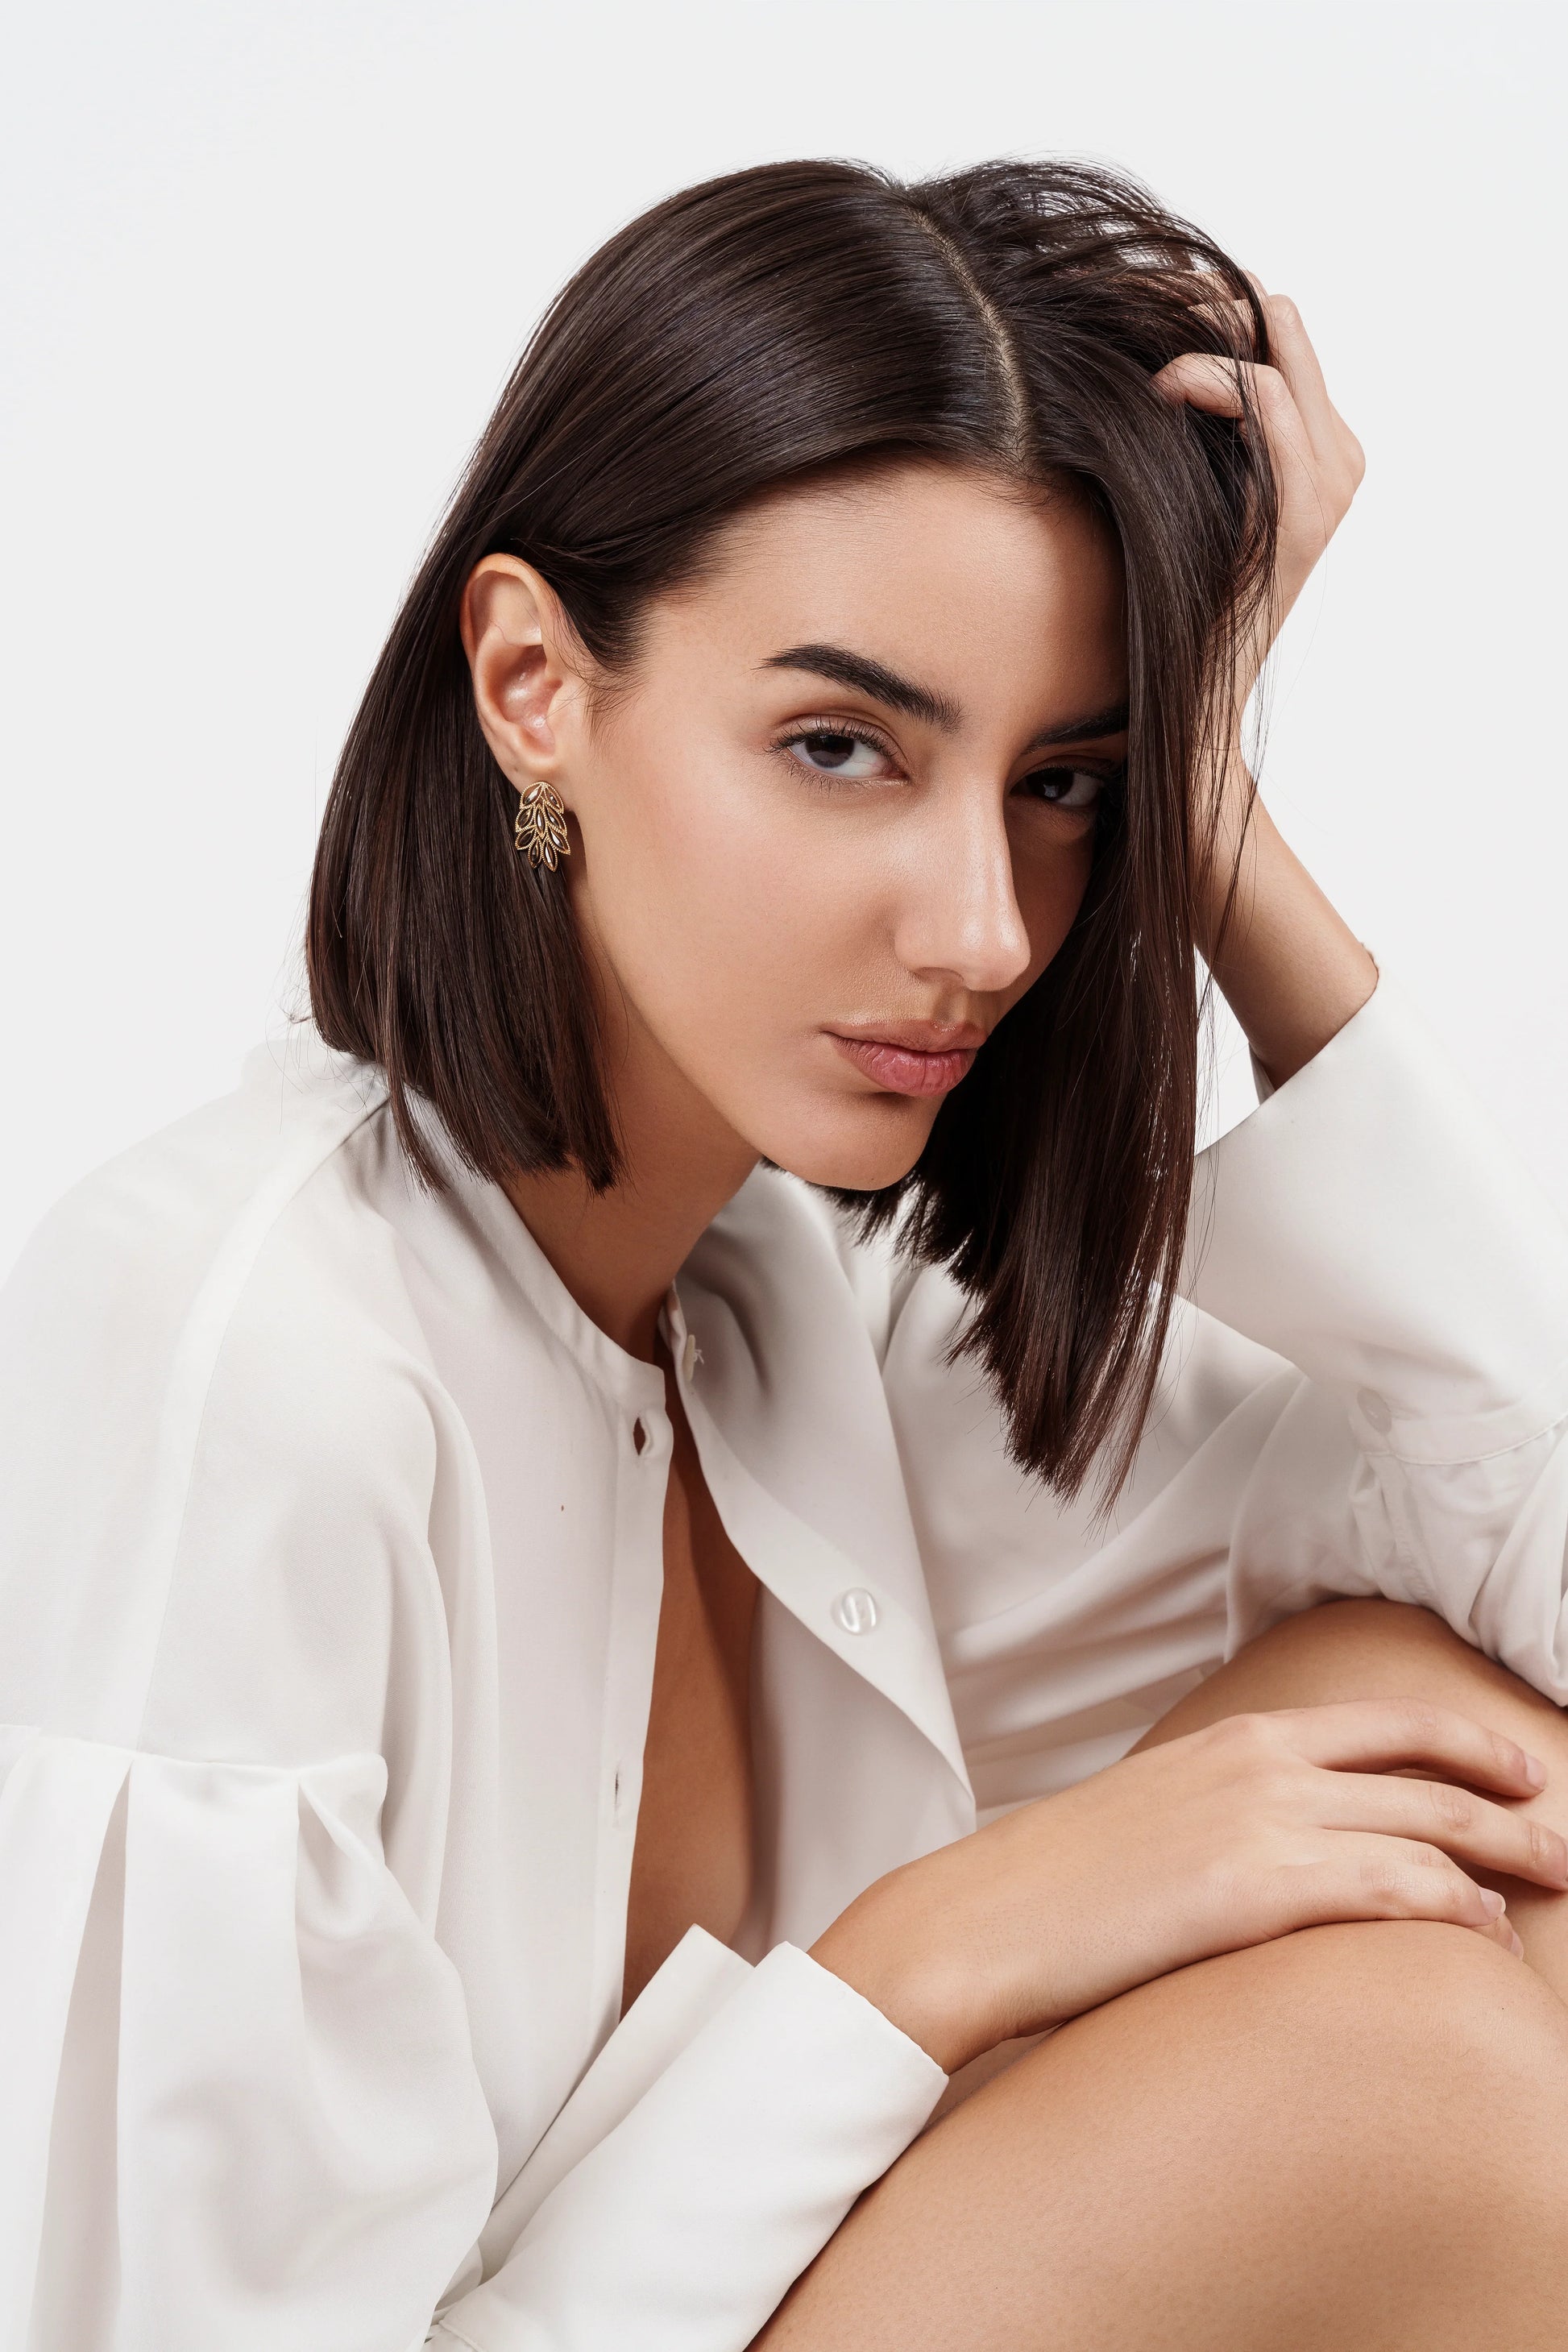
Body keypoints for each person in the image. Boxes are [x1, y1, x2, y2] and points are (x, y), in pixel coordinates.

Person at [4, 155, 1568, 2352]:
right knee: (1410, 2081)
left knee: (1476, 1771)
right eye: (840, 748)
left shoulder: (778, 1299)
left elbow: (1535, 1588)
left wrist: (1207, 802)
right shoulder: (251, 1356)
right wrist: (925, 1955)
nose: (984, 933)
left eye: (1060, 784)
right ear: (532, 679)